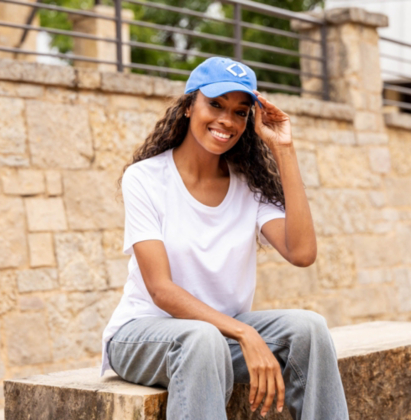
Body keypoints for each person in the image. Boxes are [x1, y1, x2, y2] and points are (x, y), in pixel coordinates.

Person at [100, 56, 349, 420]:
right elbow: (160, 290)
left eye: (240, 112)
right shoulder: (145, 178)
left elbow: (302, 253)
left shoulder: (249, 184)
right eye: (215, 105)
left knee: (308, 329)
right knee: (201, 340)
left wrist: (284, 149)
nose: (227, 120)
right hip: (143, 336)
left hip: (219, 340)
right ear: (189, 106)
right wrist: (244, 332)